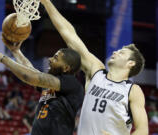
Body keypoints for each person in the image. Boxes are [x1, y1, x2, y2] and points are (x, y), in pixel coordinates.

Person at [39, 0, 149, 135]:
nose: (115, 52)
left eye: (121, 53)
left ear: (131, 63)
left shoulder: (133, 90)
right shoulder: (97, 71)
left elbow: (143, 130)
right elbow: (70, 35)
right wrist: (47, 3)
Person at [0, 35, 84, 135]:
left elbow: (30, 77)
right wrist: (16, 52)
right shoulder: (53, 84)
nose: (50, 59)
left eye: (56, 58)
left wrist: (4, 59)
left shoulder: (72, 84)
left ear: (66, 68)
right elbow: (31, 70)